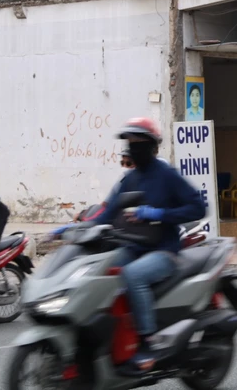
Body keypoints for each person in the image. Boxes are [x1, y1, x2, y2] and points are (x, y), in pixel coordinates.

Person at [93, 118, 206, 373]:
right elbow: (107, 212)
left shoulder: (167, 175)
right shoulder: (129, 179)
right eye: (130, 143)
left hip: (164, 251)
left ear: (152, 146)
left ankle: (147, 341)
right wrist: (71, 229)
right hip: (132, 247)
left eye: (139, 143)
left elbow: (198, 207)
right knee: (95, 271)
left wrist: (156, 214)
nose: (134, 148)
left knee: (133, 276)